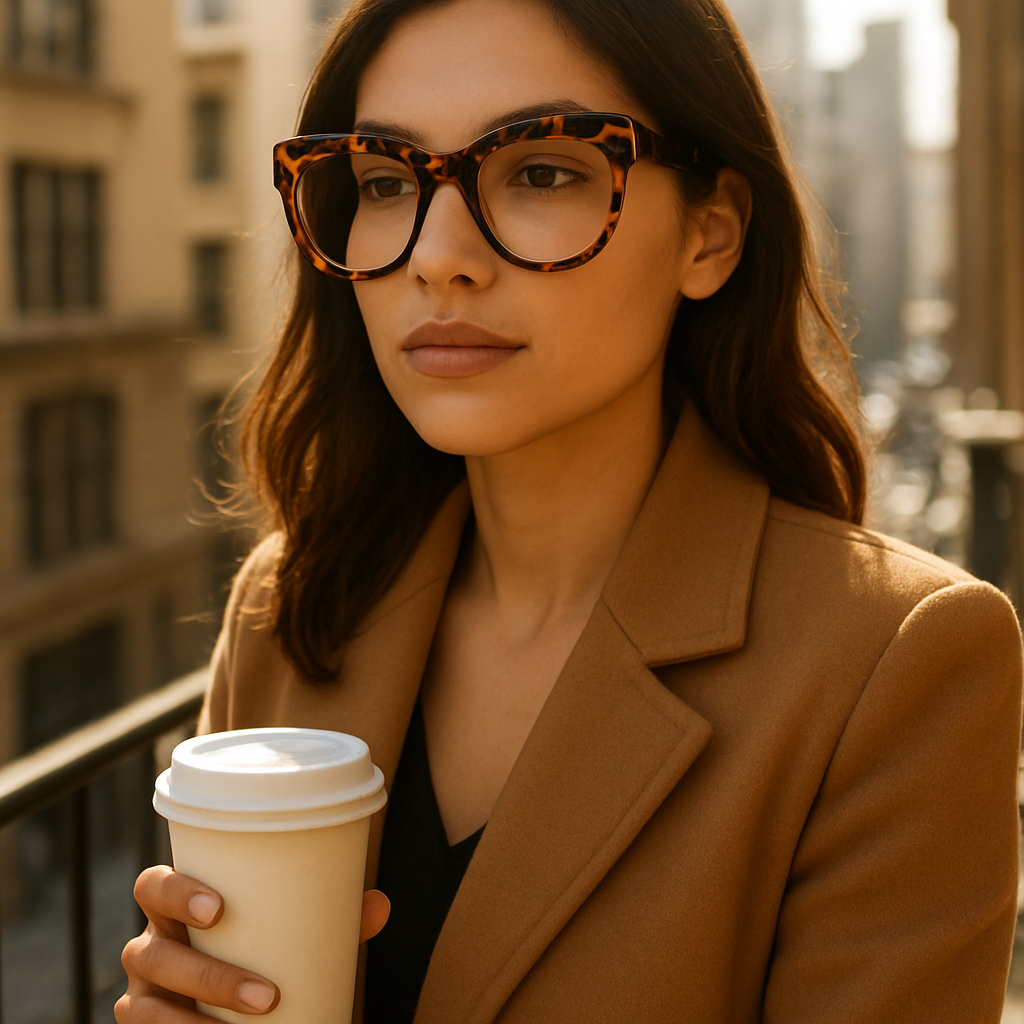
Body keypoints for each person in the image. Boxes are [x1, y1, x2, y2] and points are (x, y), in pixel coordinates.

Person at [116, 0, 1024, 1021]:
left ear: (710, 235)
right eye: (383, 180)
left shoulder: (898, 659)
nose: (436, 255)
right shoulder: (292, 605)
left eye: (542, 170)